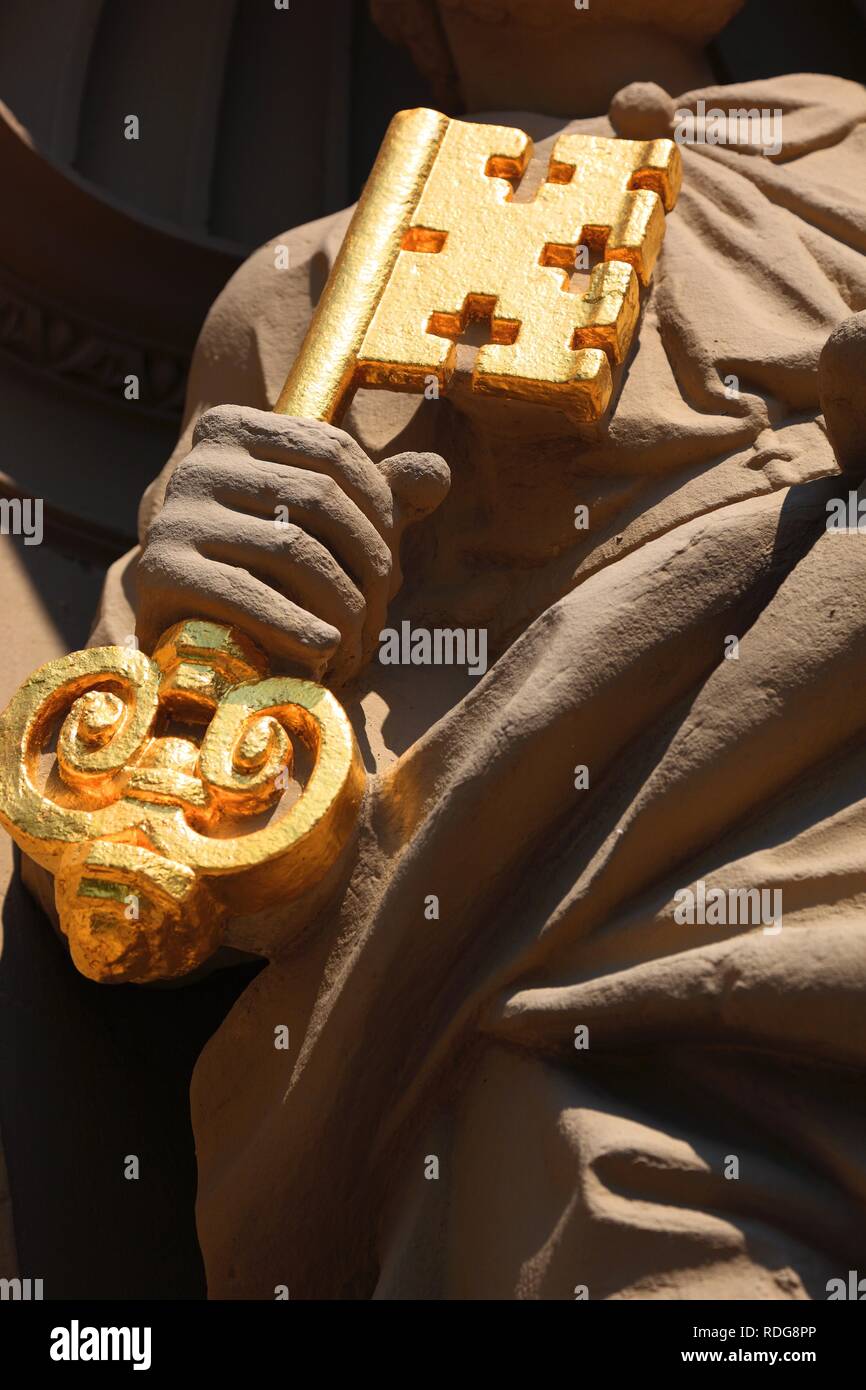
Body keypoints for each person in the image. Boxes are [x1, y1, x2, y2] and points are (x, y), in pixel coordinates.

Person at [86, 0, 866, 1297]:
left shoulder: (851, 155)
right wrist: (197, 627)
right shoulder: (309, 288)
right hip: (577, 1015)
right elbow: (186, 858)